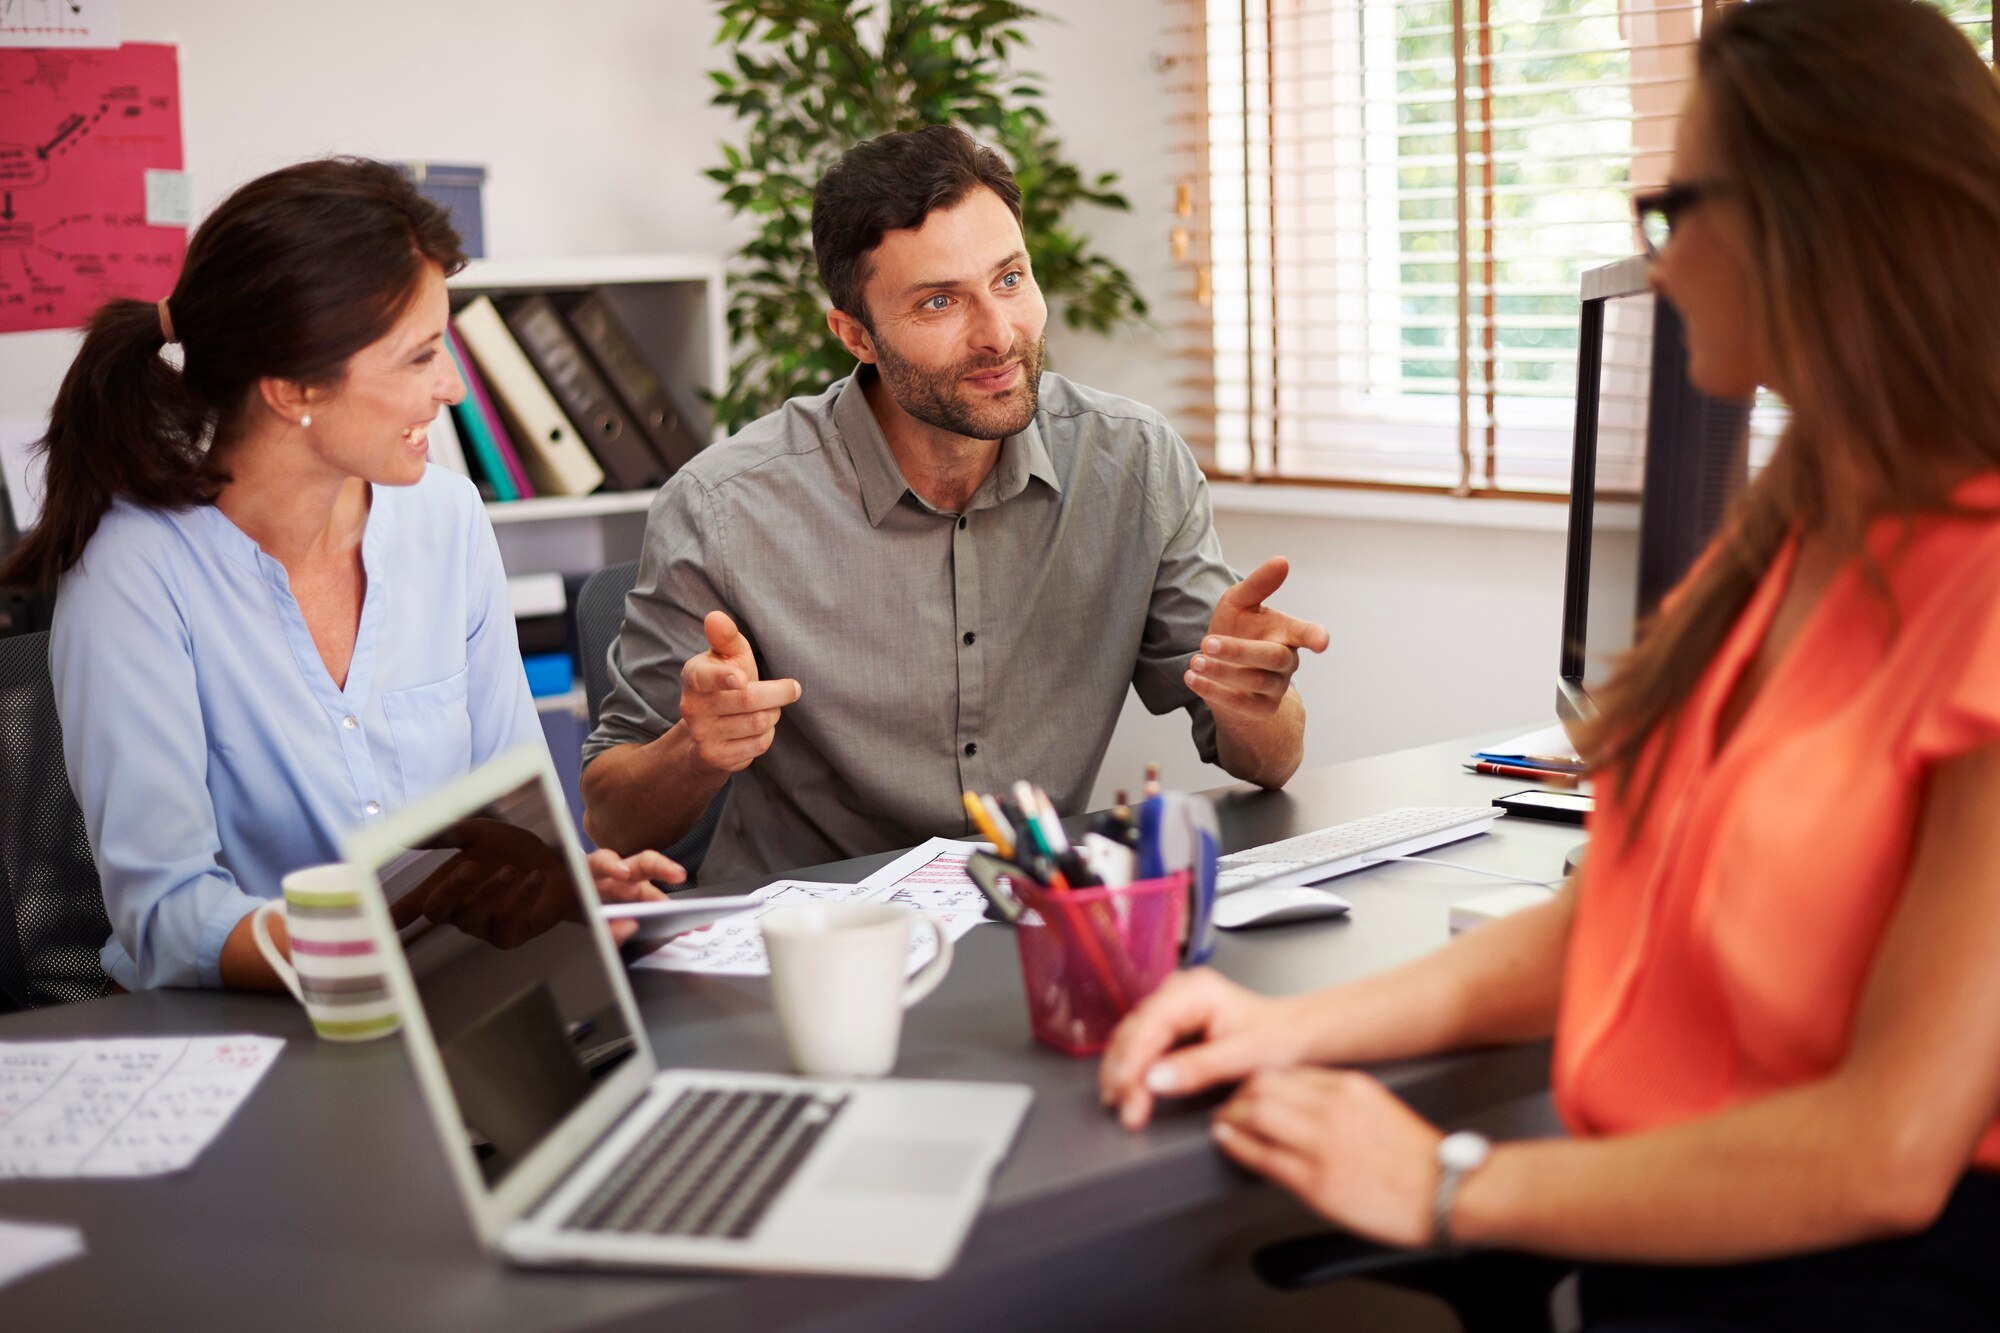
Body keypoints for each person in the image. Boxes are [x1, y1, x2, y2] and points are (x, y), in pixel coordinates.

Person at [1097, 1, 2000, 1327]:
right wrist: (1284, 1025)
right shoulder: (1790, 542)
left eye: (1676, 207)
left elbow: (1888, 1146)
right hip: (1673, 1268)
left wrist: (1454, 1185)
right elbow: (1607, 923)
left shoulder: (1975, 593)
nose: (1662, 258)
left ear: (1822, 219)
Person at [582, 126, 1329, 881]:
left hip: (1038, 917)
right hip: (822, 947)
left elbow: (1273, 762)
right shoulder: (722, 509)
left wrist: (1251, 697)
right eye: (940, 301)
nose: (999, 334)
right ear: (855, 335)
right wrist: (694, 749)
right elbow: (612, 816)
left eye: (1010, 279)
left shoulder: (1132, 463)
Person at [1, 158, 675, 992]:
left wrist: (556, 886)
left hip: (464, 997)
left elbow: (511, 803)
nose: (454, 388)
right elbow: (169, 917)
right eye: (421, 356)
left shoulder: (446, 516)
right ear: (292, 388)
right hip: (261, 1031)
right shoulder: (134, 570)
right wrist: (381, 941)